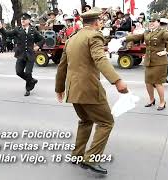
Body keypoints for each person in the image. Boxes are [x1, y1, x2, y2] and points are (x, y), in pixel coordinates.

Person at [55, 8, 128, 175]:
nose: (100, 24)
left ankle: (77, 154)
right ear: (96, 22)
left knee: (86, 120)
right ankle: (91, 158)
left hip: (73, 90)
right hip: (89, 89)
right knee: (106, 122)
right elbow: (100, 58)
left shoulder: (72, 39)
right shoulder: (94, 35)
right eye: (100, 22)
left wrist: (59, 88)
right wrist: (117, 80)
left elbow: (62, 66)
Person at [120, 14, 168, 110]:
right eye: (150, 21)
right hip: (149, 61)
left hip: (159, 61)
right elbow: (137, 37)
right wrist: (124, 38)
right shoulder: (147, 32)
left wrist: (166, 51)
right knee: (148, 82)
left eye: (154, 22)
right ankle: (151, 100)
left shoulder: (162, 32)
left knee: (158, 83)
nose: (151, 23)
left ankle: (162, 102)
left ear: (158, 23)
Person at [0, 13, 45, 96]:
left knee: (28, 73)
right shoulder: (17, 29)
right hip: (21, 55)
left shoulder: (33, 30)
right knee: (19, 72)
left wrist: (37, 46)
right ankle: (32, 80)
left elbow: (42, 39)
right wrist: (1, 28)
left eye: (25, 19)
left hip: (30, 55)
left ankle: (28, 89)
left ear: (29, 21)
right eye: (22, 19)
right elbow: (7, 33)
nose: (22, 20)